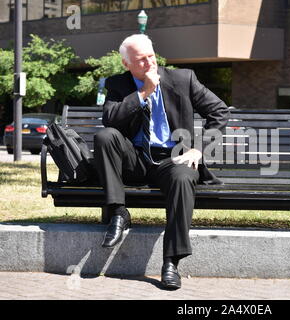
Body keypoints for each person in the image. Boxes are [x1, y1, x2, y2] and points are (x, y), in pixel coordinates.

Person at [94, 34, 229, 289]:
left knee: (183, 176)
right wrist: (144, 92)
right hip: (134, 159)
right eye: (141, 60)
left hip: (173, 159)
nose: (149, 63)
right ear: (126, 64)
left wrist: (199, 149)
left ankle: (171, 262)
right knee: (105, 137)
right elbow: (110, 119)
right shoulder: (118, 84)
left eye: (151, 56)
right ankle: (118, 212)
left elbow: (219, 111)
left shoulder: (183, 79)